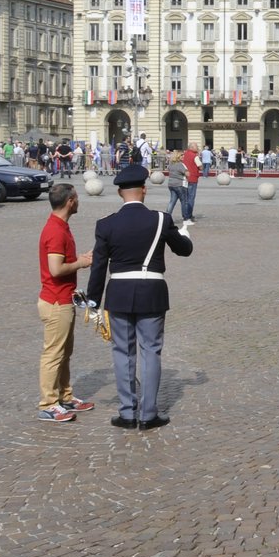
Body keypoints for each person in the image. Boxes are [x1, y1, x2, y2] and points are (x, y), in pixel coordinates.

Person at [84, 164, 196, 430]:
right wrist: (185, 234)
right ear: (144, 190)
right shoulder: (160, 220)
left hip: (119, 293)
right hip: (151, 292)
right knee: (151, 352)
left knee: (122, 353)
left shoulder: (106, 224)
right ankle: (148, 414)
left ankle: (127, 412)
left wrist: (92, 302)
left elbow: (99, 266)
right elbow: (184, 251)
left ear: (121, 193)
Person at [37, 183, 96, 423]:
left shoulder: (60, 226)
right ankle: (49, 403)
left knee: (64, 352)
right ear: (70, 201)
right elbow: (55, 268)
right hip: (56, 301)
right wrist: (81, 262)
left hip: (62, 299)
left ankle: (65, 395)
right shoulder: (56, 231)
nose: (79, 201)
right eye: (77, 198)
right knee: (53, 353)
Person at [180, 141, 201, 221]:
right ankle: (189, 215)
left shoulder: (184, 155)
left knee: (184, 198)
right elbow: (200, 166)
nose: (198, 148)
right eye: (196, 146)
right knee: (191, 198)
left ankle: (184, 214)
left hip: (184, 178)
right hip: (193, 178)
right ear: (191, 147)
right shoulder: (194, 156)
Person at [165, 153, 188, 219]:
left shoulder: (170, 164)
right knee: (184, 201)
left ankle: (167, 216)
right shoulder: (180, 165)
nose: (183, 156)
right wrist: (187, 171)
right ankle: (185, 217)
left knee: (172, 201)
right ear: (177, 157)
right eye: (181, 155)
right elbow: (187, 174)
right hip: (179, 184)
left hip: (171, 184)